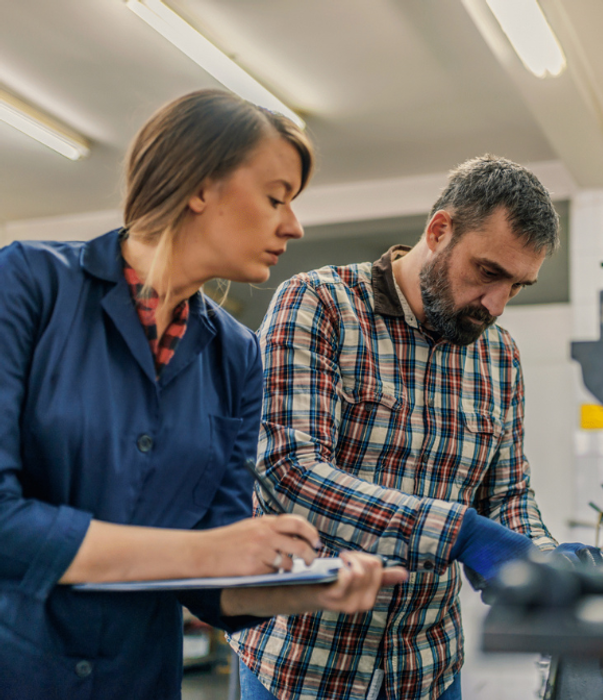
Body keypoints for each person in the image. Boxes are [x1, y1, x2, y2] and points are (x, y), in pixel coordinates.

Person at [0, 90, 406, 700]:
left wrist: (303, 587)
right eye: (275, 197)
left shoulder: (238, 354)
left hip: (138, 681)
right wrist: (207, 548)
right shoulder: (28, 283)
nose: (292, 225)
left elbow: (209, 576)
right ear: (199, 187)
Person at [229, 155, 603, 700]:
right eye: (488, 272)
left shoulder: (499, 355)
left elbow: (507, 495)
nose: (497, 305)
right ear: (439, 231)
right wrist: (459, 532)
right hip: (303, 666)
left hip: (427, 670)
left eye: (517, 286)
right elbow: (290, 472)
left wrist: (545, 561)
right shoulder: (319, 305)